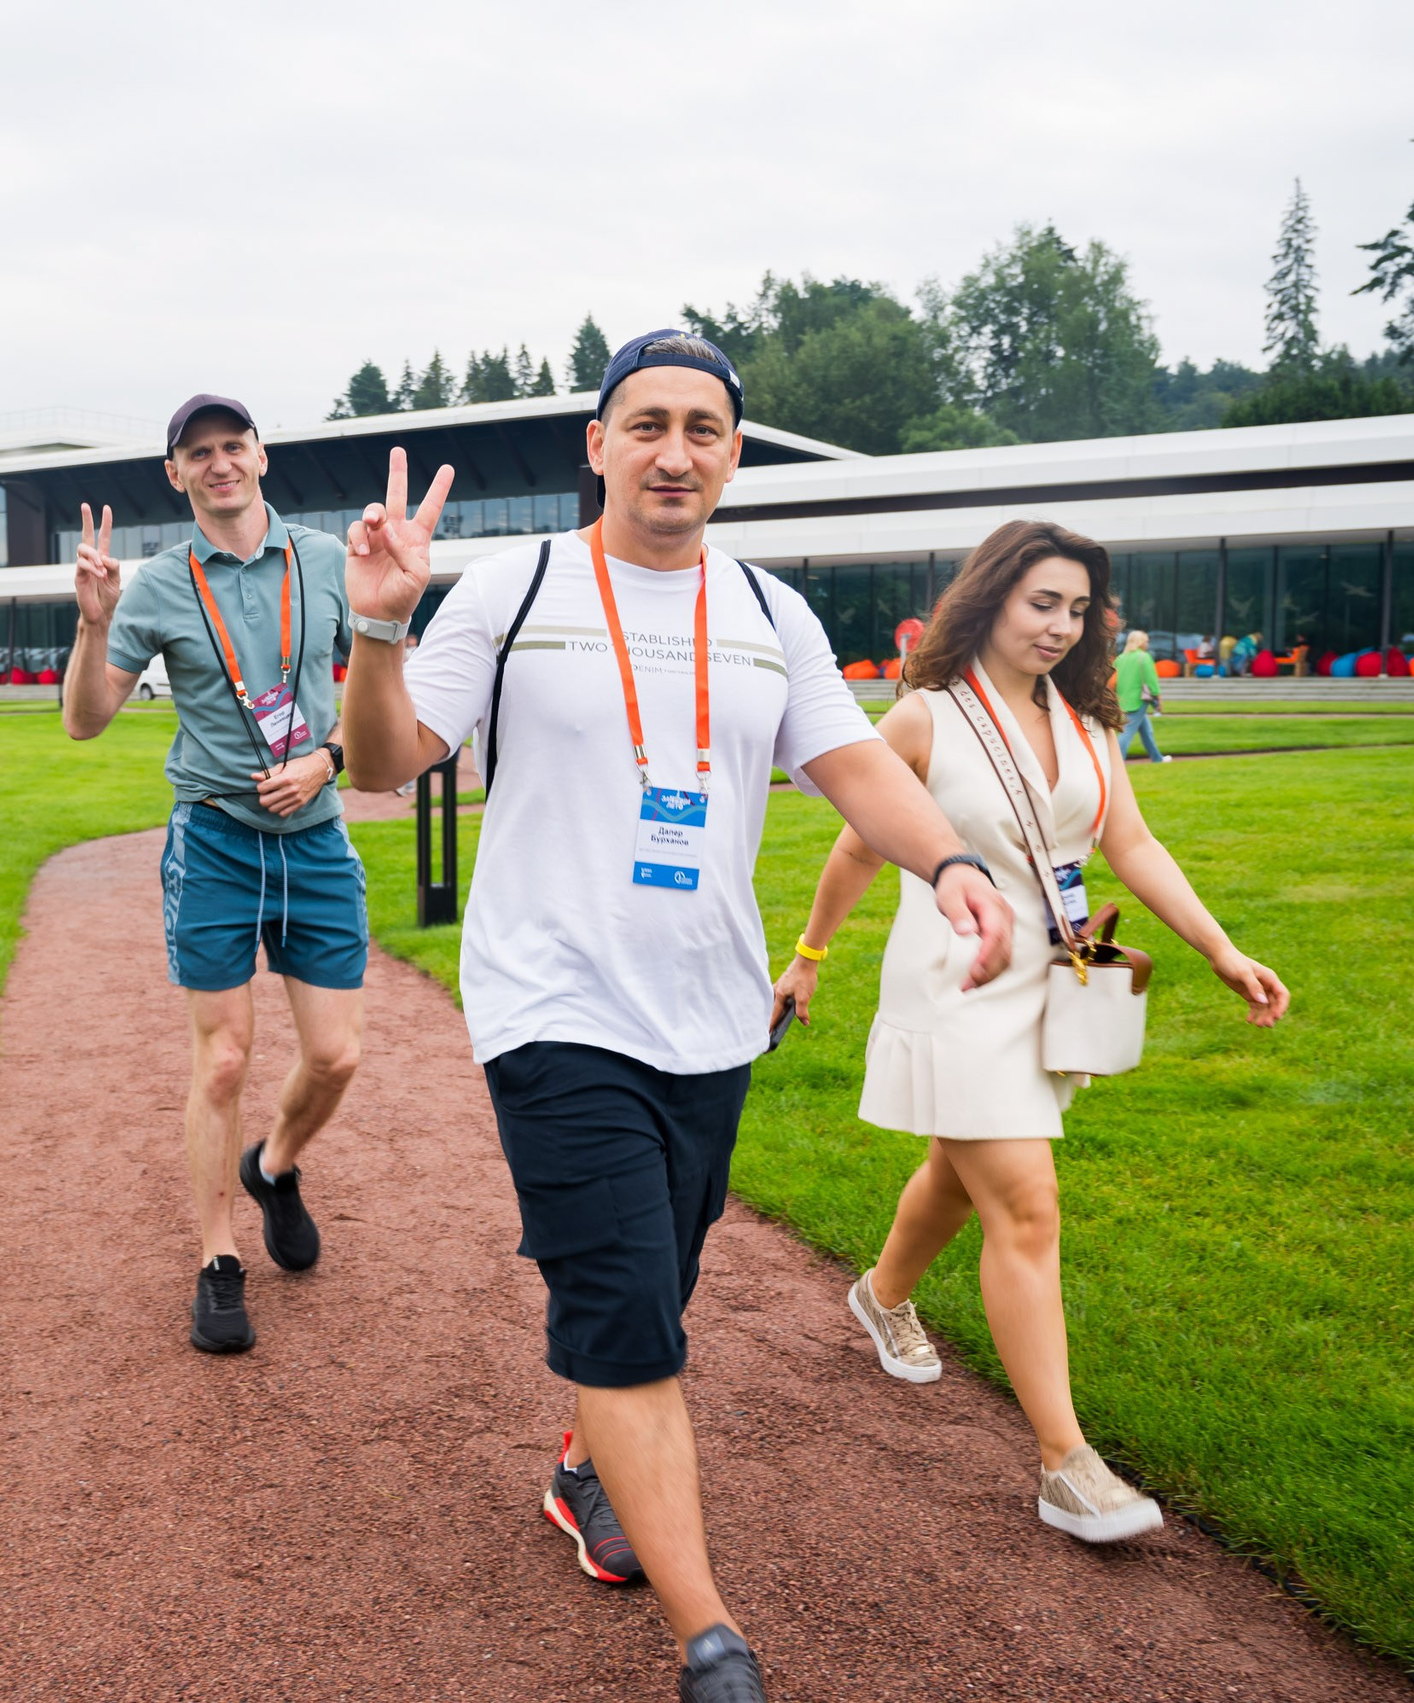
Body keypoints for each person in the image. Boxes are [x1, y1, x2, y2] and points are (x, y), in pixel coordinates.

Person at [339, 331, 1014, 1703]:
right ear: (597, 445)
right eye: (645, 423)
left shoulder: (770, 610)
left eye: (702, 428)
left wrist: (948, 861)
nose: (673, 451)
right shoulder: (516, 586)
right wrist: (378, 629)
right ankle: (712, 1640)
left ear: (732, 456)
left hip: (711, 1010)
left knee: (663, 1272)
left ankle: (581, 1460)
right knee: (630, 1309)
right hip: (550, 1002)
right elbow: (382, 763)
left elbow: (852, 766)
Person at [770, 518, 1291, 1548]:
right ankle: (1066, 1462)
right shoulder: (923, 716)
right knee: (1025, 1199)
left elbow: (1131, 843)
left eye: (1078, 609)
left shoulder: (1089, 724)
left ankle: (881, 1295)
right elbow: (859, 846)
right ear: (992, 597)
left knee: (960, 1172)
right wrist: (809, 954)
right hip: (953, 980)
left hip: (1050, 981)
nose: (1060, 625)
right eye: (1041, 601)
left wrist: (1221, 949)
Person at [61, 393, 366, 1356]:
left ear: (261, 455)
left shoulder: (327, 561)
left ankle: (272, 1165)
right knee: (225, 1055)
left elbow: (384, 693)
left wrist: (327, 758)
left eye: (234, 445)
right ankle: (217, 1259)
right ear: (176, 473)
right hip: (217, 836)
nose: (220, 462)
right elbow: (85, 720)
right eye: (199, 452)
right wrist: (93, 626)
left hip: (315, 836)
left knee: (336, 1056)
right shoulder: (156, 584)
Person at [1112, 630, 1169, 762]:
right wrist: (1158, 698)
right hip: (1139, 700)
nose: (1147, 644)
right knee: (1126, 733)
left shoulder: (1120, 659)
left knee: (1146, 731)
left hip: (1123, 699)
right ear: (1141, 642)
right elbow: (1151, 681)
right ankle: (1117, 762)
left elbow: (1113, 680)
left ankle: (1157, 758)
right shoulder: (1144, 657)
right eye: (1146, 641)